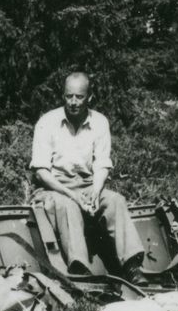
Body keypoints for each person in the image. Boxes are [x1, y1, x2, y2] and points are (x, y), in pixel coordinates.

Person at [29, 72, 148, 285]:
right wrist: (72, 195)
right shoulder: (46, 123)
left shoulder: (100, 122)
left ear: (89, 97)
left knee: (116, 201)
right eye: (69, 96)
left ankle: (131, 266)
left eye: (79, 97)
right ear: (63, 96)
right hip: (53, 190)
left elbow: (102, 163)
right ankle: (80, 269)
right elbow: (41, 172)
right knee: (69, 206)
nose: (73, 102)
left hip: (86, 186)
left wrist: (95, 189)